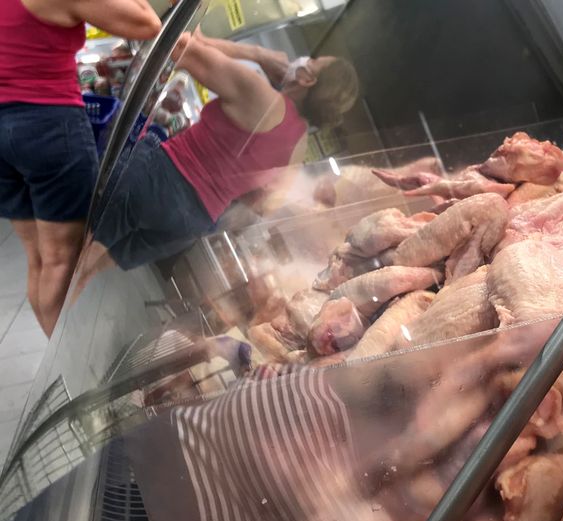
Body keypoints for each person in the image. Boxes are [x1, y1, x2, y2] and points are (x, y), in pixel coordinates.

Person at [75, 31, 359, 291]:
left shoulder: (261, 95)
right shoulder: (300, 148)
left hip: (162, 179)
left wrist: (259, 54)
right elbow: (260, 205)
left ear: (308, 77)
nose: (303, 60)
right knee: (93, 268)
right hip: (192, 223)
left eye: (313, 61)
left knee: (80, 254)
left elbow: (181, 46)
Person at [0, 0, 161, 336]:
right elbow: (146, 23)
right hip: (47, 125)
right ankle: (71, 364)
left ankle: (59, 355)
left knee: (38, 257)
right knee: (61, 259)